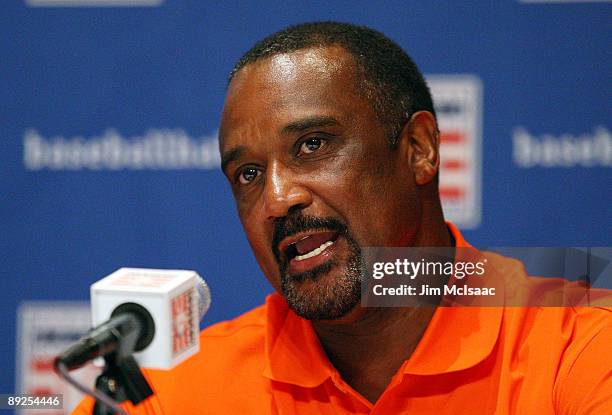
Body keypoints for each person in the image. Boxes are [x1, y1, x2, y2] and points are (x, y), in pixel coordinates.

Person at [73, 22, 611, 414]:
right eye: (249, 174)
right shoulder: (166, 396)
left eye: (312, 145)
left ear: (419, 149)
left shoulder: (577, 348)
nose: (278, 198)